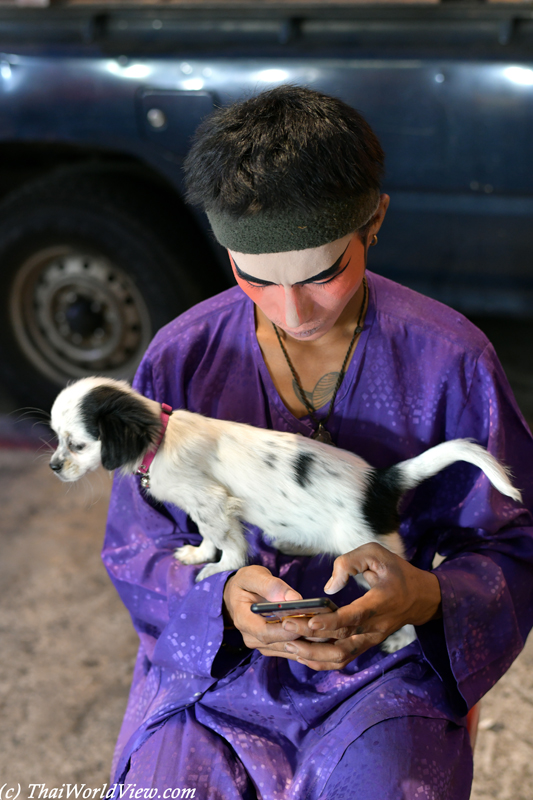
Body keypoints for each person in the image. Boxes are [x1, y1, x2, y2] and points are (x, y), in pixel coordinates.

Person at [103, 85, 533, 799]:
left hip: (382, 670)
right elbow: (135, 544)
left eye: (323, 273)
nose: (290, 308)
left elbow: (512, 543)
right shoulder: (180, 358)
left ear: (373, 221)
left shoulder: (450, 358)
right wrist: (223, 600)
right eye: (252, 276)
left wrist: (423, 594)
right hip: (217, 668)